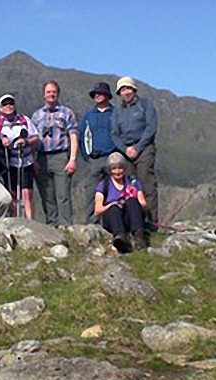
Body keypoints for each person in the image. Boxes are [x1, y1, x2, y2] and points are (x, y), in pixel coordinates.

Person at [111, 76, 159, 230]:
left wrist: (138, 147)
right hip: (126, 152)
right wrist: (125, 149)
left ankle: (151, 223)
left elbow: (151, 128)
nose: (126, 92)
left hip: (144, 149)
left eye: (128, 88)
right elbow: (114, 134)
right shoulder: (118, 112)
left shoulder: (146, 105)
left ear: (134, 89)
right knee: (130, 188)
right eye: (122, 90)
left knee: (146, 182)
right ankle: (135, 223)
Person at [32, 80, 79, 227]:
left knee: (63, 194)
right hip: (41, 157)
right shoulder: (37, 115)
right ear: (44, 95)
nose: (51, 94)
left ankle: (66, 226)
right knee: (47, 195)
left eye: (54, 92)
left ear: (58, 94)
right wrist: (33, 160)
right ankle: (51, 226)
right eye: (48, 92)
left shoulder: (66, 113)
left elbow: (73, 136)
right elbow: (33, 139)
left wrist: (72, 159)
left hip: (61, 156)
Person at [0, 94, 39, 219]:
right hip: (8, 163)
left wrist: (26, 142)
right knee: (12, 194)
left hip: (25, 161)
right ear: (0, 108)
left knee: (26, 193)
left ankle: (30, 222)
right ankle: (15, 220)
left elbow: (35, 137)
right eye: (5, 104)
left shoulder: (24, 120)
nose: (8, 106)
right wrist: (1, 141)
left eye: (11, 103)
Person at [94, 152, 146, 253]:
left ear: (124, 169)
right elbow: (97, 210)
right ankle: (120, 237)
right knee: (114, 208)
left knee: (132, 201)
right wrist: (112, 204)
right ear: (110, 170)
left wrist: (132, 196)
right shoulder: (103, 185)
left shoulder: (132, 183)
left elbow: (143, 204)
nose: (117, 171)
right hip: (112, 219)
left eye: (120, 168)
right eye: (114, 168)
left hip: (129, 217)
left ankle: (139, 236)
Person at [79, 82, 116, 224]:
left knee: (114, 191)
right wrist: (87, 155)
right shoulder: (89, 115)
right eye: (95, 93)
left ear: (107, 96)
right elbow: (83, 136)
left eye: (101, 93)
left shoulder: (115, 113)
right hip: (95, 159)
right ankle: (92, 224)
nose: (97, 95)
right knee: (92, 192)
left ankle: (114, 224)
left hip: (113, 158)